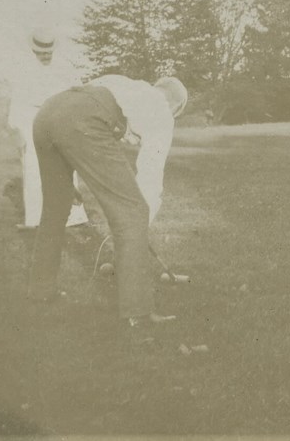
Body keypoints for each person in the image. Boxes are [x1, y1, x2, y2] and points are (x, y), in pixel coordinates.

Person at [27, 74, 188, 335]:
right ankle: (138, 314)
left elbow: (73, 114)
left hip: (46, 115)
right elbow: (150, 176)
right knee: (134, 212)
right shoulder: (162, 111)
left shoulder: (125, 84)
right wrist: (137, 228)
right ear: (175, 106)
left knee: (55, 210)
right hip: (82, 120)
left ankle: (40, 292)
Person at [7, 32, 88, 228]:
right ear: (34, 50)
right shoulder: (24, 71)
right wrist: (17, 131)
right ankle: (36, 219)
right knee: (34, 168)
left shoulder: (64, 69)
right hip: (32, 121)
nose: (45, 56)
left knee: (67, 166)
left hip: (60, 119)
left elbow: (76, 94)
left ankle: (74, 217)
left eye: (48, 53)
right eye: (41, 53)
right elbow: (17, 103)